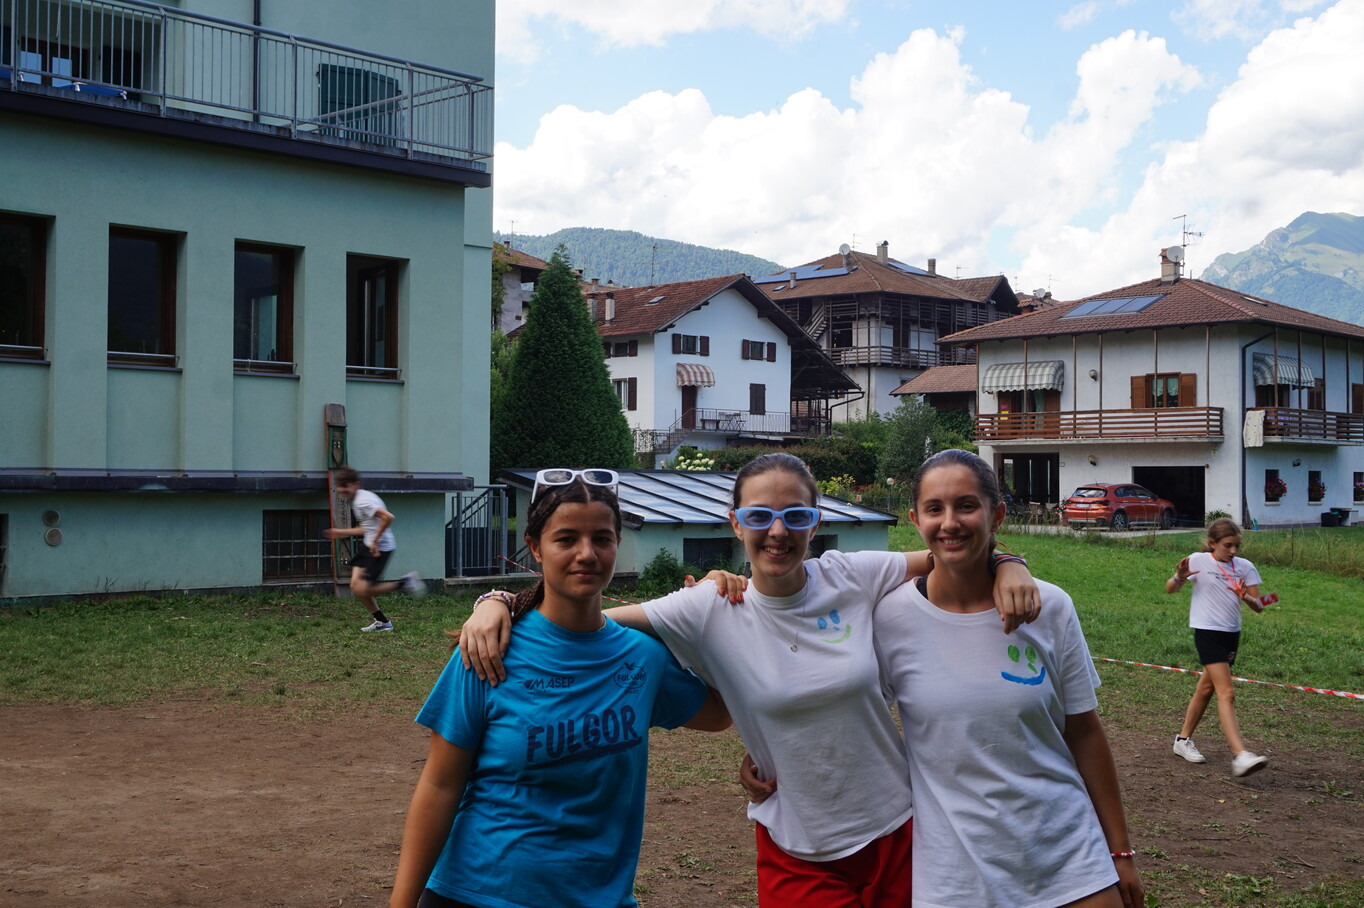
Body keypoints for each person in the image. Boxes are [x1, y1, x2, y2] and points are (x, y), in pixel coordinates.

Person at [460, 452, 1041, 906]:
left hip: (900, 830)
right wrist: (500, 601)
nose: (778, 532)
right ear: (736, 523)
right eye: (760, 517)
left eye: (796, 516)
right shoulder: (706, 607)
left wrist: (1008, 562)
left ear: (816, 522)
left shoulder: (851, 575)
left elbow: (951, 552)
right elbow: (584, 614)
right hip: (795, 844)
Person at [389, 468, 730, 908]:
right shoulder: (489, 649)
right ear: (535, 547)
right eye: (566, 539)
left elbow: (719, 714)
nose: (586, 553)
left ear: (617, 543)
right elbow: (440, 785)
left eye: (602, 539)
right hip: (477, 893)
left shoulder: (642, 657)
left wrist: (706, 617)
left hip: (599, 898)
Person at [865, 449, 1142, 907]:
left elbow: (1084, 731)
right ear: (915, 519)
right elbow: (846, 713)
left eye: (966, 506)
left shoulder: (1050, 608)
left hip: (1069, 858)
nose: (950, 522)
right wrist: (765, 756)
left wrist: (1120, 851)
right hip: (956, 875)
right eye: (934, 508)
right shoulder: (890, 618)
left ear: (996, 516)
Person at [1165, 517, 1270, 777]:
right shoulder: (1198, 561)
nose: (1233, 551)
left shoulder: (1245, 567)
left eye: (1236, 546)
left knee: (1206, 688)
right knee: (1227, 692)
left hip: (1231, 635)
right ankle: (1240, 755)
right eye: (1227, 545)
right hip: (1207, 632)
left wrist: (1244, 597)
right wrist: (1179, 577)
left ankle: (1182, 740)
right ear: (1213, 543)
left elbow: (1262, 604)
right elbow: (1169, 589)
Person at [325, 467, 424, 632]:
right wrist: (342, 532)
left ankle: (404, 582)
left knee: (364, 589)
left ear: (356, 484)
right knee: (355, 586)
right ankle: (382, 622)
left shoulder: (363, 501)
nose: (342, 490)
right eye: (340, 486)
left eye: (346, 486)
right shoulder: (360, 498)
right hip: (369, 545)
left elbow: (388, 517)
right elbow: (368, 528)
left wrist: (375, 541)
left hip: (380, 547)